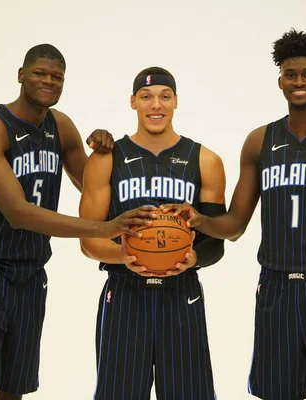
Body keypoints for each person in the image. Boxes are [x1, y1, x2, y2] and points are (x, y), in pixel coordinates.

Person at [162, 29, 306, 400]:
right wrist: (198, 220)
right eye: (291, 74)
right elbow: (234, 226)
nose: (299, 82)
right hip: (275, 288)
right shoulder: (259, 141)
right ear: (280, 79)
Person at [0, 44, 154, 400]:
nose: (48, 81)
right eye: (40, 73)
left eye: (57, 77)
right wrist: (104, 230)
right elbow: (18, 212)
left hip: (31, 273)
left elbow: (94, 188)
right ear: (21, 75)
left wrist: (104, 152)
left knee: (14, 390)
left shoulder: (62, 127)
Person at [79, 67, 228, 400]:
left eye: (164, 96)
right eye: (146, 97)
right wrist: (125, 256)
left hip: (182, 292)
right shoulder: (107, 159)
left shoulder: (206, 160)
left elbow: (216, 245)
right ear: (133, 102)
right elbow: (88, 241)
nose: (155, 105)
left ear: (176, 102)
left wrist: (191, 261)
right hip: (125, 291)